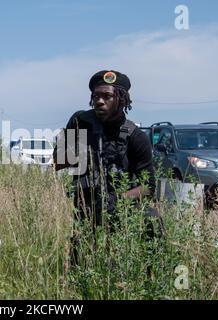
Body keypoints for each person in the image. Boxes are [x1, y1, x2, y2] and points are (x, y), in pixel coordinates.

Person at [53, 69, 163, 265]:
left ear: (121, 99)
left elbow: (149, 185)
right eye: (96, 96)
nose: (100, 101)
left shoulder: (136, 137)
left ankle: (153, 277)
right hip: (88, 207)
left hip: (123, 208)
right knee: (82, 268)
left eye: (107, 96)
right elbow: (59, 163)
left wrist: (117, 200)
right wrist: (71, 138)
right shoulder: (82, 123)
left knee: (152, 220)